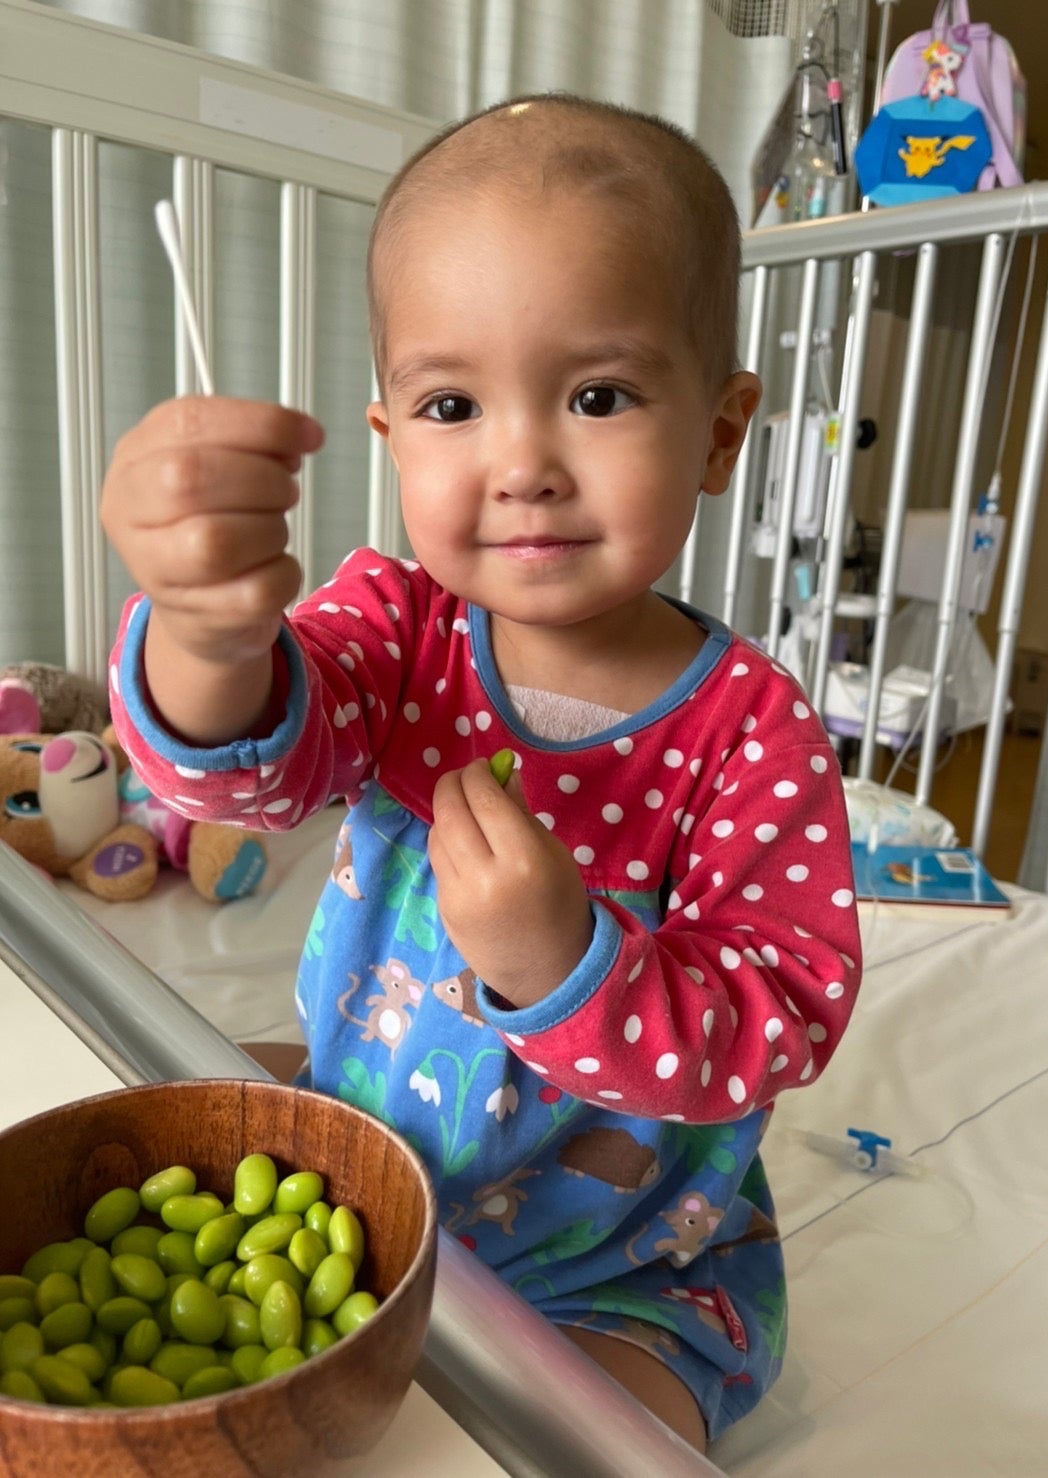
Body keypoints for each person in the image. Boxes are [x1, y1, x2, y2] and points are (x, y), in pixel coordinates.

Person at [101, 93, 862, 1453]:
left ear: (720, 429)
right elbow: (250, 772)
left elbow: (784, 1015)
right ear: (393, 435)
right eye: (453, 405)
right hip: (362, 1174)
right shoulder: (401, 631)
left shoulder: (753, 733)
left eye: (598, 396)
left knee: (597, 1445)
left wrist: (564, 960)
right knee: (174, 1118)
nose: (522, 465)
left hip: (615, 1261)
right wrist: (208, 639)